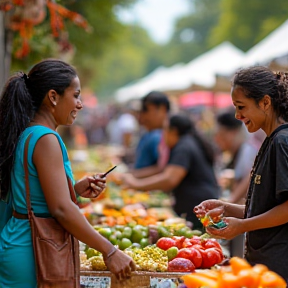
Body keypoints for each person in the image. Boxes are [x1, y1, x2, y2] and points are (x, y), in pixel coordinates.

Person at [0, 59, 135, 287]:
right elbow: (61, 209)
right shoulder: (46, 139)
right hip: (33, 250)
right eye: (76, 95)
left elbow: (33, 196)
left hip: (21, 243)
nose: (80, 104)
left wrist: (73, 190)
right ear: (53, 97)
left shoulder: (28, 134)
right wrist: (109, 250)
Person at [194, 66, 288, 280]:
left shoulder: (282, 142)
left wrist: (243, 226)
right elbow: (265, 209)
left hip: (279, 269)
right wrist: (226, 208)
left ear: (265, 102)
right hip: (265, 266)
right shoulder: (271, 140)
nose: (237, 115)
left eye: (241, 107)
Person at [122, 113, 220, 229]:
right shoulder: (188, 142)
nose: (163, 135)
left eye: (165, 130)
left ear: (173, 131)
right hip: (201, 205)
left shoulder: (183, 147)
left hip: (198, 208)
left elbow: (169, 179)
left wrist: (136, 184)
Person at [214, 109, 258, 204]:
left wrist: (230, 202)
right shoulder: (234, 152)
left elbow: (249, 178)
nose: (217, 140)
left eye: (221, 135)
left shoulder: (247, 150)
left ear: (233, 133)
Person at [132, 91, 170, 177]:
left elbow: (162, 168)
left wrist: (132, 176)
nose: (143, 116)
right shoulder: (149, 134)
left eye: (146, 110)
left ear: (162, 109)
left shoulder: (160, 136)